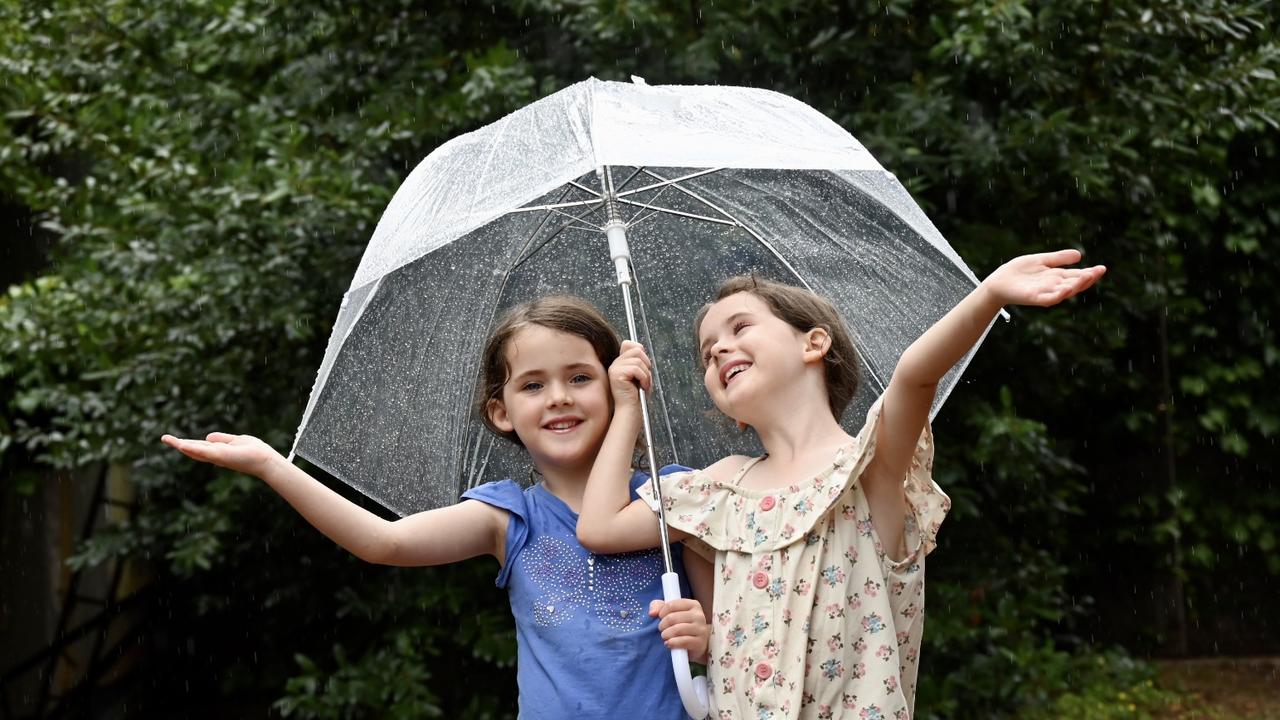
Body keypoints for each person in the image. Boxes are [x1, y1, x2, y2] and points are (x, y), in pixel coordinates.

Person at [578, 250, 1106, 719]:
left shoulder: (868, 470)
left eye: (739, 328)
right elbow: (600, 526)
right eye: (706, 349)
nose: (718, 350)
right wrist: (628, 409)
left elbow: (914, 377)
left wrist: (989, 295)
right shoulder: (721, 489)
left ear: (814, 343)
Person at [163, 295, 713, 720]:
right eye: (532, 385)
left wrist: (705, 639)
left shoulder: (677, 498)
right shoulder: (509, 517)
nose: (558, 397)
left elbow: (740, 645)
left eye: (579, 377)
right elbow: (384, 543)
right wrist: (270, 465)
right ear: (501, 412)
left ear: (621, 386)